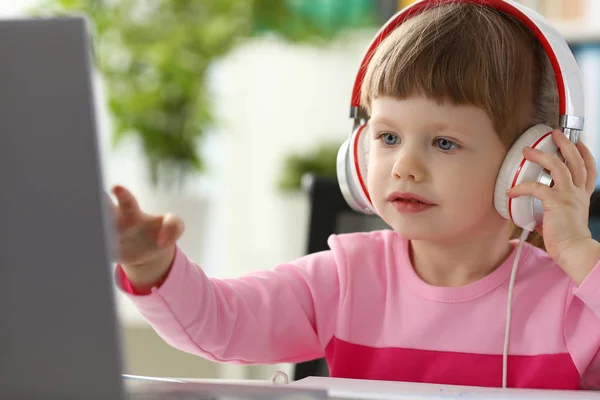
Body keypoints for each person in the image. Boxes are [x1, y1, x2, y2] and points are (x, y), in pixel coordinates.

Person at [110, 1, 600, 390]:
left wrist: (579, 252)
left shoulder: (571, 302)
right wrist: (152, 266)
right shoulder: (345, 279)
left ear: (529, 162)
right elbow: (220, 323)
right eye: (388, 137)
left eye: (444, 142)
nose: (404, 166)